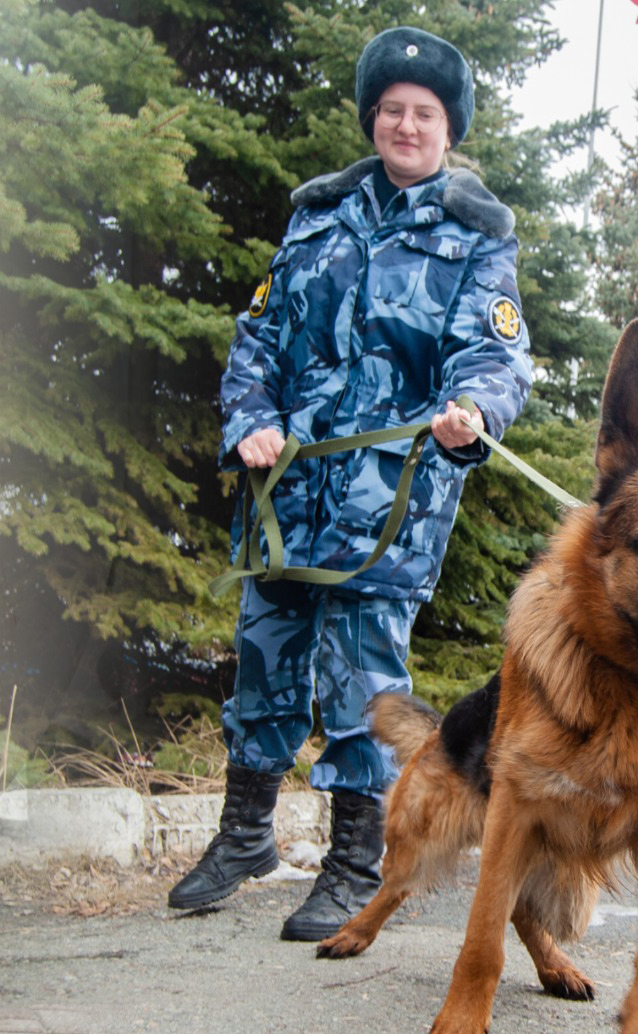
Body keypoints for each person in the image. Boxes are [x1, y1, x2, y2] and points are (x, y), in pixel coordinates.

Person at [169, 26, 532, 941]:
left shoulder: (476, 237)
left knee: (362, 688)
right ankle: (245, 835)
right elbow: (257, 341)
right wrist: (250, 419)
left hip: (389, 504)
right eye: (393, 111)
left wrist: (471, 413)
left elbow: (496, 355)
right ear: (374, 119)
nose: (406, 125)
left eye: (425, 114)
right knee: (261, 666)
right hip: (287, 494)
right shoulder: (316, 218)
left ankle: (351, 865)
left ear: (448, 130)